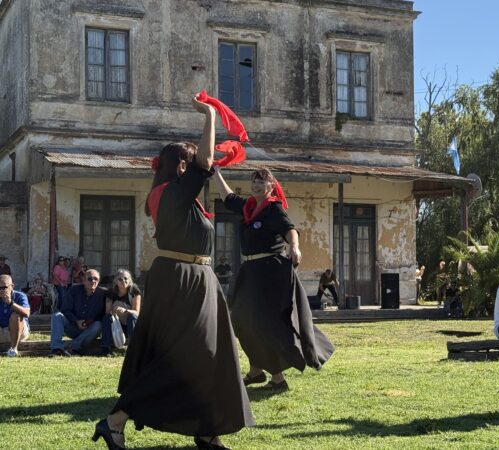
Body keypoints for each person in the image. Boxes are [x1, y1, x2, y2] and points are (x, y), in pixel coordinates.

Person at [94, 96, 254, 450]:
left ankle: (206, 430)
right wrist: (211, 116)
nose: (196, 167)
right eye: (189, 162)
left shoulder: (175, 195)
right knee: (179, 357)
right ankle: (114, 421)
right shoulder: (170, 193)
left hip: (196, 280)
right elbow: (205, 161)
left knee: (212, 354)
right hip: (182, 280)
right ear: (180, 166)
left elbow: (206, 165)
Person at [212, 165, 335, 392]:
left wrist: (295, 247)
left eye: (261, 181)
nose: (256, 184)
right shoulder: (249, 207)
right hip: (250, 271)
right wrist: (216, 173)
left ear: (271, 186)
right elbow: (228, 197)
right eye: (254, 181)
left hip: (271, 271)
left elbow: (290, 230)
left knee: (264, 323)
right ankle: (257, 371)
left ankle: (276, 377)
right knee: (240, 319)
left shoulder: (273, 209)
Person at [49, 269, 106, 356]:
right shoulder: (74, 290)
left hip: (89, 331)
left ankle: (72, 347)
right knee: (57, 316)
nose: (93, 281)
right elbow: (65, 309)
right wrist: (76, 321)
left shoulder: (103, 294)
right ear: (83, 280)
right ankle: (57, 349)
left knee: (98, 325)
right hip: (72, 326)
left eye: (96, 279)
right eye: (90, 279)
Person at [99, 269, 141, 356]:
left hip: (130, 325)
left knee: (132, 316)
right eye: (120, 279)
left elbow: (137, 312)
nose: (124, 281)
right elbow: (107, 312)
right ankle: (105, 348)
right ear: (116, 281)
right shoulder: (111, 292)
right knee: (107, 318)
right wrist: (113, 311)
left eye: (126, 278)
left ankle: (133, 348)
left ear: (130, 280)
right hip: (116, 325)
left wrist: (126, 311)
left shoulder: (134, 291)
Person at [0, 274, 30, 357]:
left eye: (4, 287)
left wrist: (11, 303)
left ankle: (13, 349)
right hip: (1, 330)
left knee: (16, 315)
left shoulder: (20, 296)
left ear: (12, 286)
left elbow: (27, 313)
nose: (1, 290)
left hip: (18, 331)